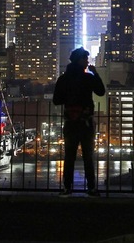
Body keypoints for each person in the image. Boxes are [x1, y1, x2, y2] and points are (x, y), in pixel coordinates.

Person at [52, 47, 106, 197]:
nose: (87, 62)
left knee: (69, 156)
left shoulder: (63, 79)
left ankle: (67, 188)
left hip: (70, 122)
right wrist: (95, 73)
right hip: (85, 122)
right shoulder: (88, 78)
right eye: (86, 59)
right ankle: (92, 188)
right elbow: (101, 91)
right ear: (80, 60)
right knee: (88, 156)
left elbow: (56, 100)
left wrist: (69, 102)